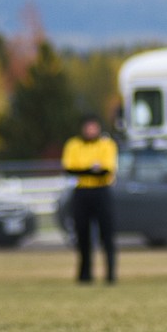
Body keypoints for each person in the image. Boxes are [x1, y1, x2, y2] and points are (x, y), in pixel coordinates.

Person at [61, 114, 118, 284]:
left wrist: (84, 170)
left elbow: (106, 170)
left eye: (93, 127)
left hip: (101, 191)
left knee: (106, 234)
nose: (90, 130)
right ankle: (84, 275)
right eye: (88, 127)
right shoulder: (73, 144)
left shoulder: (107, 144)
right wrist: (92, 169)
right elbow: (69, 169)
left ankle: (110, 274)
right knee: (82, 234)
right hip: (82, 192)